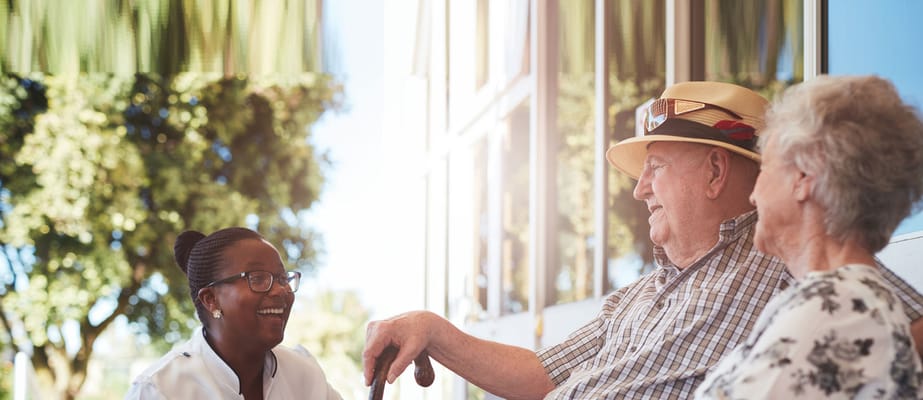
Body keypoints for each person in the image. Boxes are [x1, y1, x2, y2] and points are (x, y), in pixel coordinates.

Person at [363, 81, 923, 399]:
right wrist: (435, 331)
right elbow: (540, 374)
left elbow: (884, 318)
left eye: (654, 167)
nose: (639, 190)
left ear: (714, 173)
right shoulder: (635, 297)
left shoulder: (792, 263)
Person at [695, 76, 923, 398]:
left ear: (803, 177)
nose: (753, 195)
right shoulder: (843, 301)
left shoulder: (837, 311)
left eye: (765, 169)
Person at [126, 227, 341, 400]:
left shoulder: (303, 374)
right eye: (257, 278)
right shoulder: (159, 391)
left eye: (283, 279)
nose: (280, 290)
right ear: (211, 300)